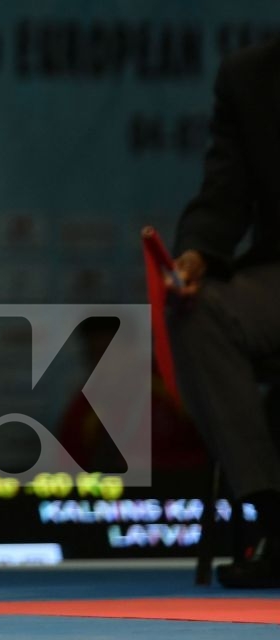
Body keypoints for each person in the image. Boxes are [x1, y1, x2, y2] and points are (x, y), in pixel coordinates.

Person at [169, 35, 280, 590]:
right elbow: (222, 196)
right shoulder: (251, 77)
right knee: (199, 311)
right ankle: (275, 519)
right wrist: (195, 254)